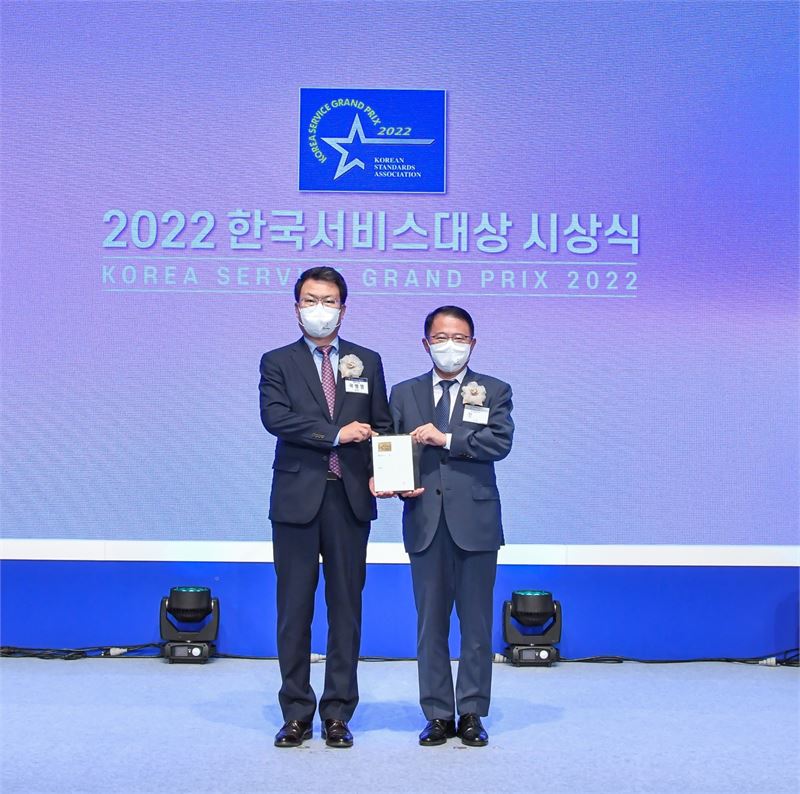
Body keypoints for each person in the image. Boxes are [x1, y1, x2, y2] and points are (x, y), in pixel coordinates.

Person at [259, 266, 392, 749]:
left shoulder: (367, 361)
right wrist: (335, 434)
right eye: (311, 300)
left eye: (329, 301)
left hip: (349, 498)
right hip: (296, 500)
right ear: (296, 308)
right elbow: (276, 418)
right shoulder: (277, 361)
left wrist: (385, 473)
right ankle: (296, 713)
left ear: (343, 308)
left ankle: (338, 713)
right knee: (294, 610)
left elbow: (382, 425)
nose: (321, 309)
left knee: (346, 609)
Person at [389, 306, 513, 747]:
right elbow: (390, 448)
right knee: (431, 624)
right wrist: (393, 483)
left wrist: (445, 439)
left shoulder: (494, 390)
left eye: (459, 338)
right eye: (441, 338)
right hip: (424, 520)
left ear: (473, 343)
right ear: (426, 343)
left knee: (476, 624)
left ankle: (473, 712)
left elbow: (499, 442)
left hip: (476, 522)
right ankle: (438, 713)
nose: (450, 346)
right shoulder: (403, 393)